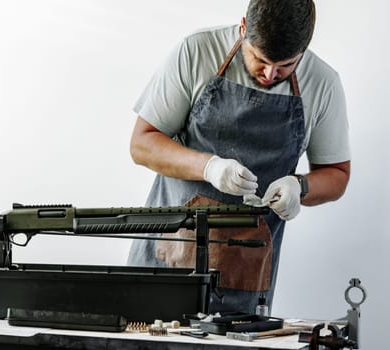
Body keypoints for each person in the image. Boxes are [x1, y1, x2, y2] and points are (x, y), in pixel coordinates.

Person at [127, 0, 350, 315]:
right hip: (169, 258)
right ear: (243, 28)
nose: (271, 74)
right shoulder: (197, 52)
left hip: (246, 276)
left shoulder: (323, 84)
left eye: (286, 65)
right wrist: (209, 167)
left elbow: (337, 174)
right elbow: (142, 144)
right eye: (260, 59)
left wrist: (299, 186)